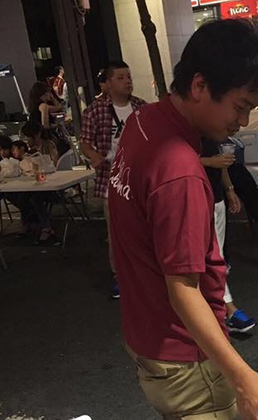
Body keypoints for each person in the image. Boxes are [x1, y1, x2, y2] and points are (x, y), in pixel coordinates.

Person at [108, 19, 258, 420]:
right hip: (186, 356)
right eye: (240, 106)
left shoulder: (142, 123)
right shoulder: (181, 171)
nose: (242, 122)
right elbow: (184, 290)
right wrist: (244, 379)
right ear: (199, 85)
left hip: (146, 335)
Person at [81, 60, 147, 300]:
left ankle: (146, 272)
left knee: (145, 228)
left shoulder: (141, 106)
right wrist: (93, 156)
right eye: (120, 78)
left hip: (141, 178)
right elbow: (85, 142)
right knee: (117, 233)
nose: (127, 81)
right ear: (107, 83)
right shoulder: (95, 110)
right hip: (112, 181)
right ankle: (121, 276)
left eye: (128, 76)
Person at [200, 139, 258, 332]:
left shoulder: (211, 133)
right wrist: (209, 162)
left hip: (217, 199)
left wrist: (229, 190)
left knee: (218, 257)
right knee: (209, 259)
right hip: (199, 201)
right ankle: (228, 310)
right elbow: (175, 162)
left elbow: (221, 162)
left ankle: (218, 310)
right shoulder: (187, 131)